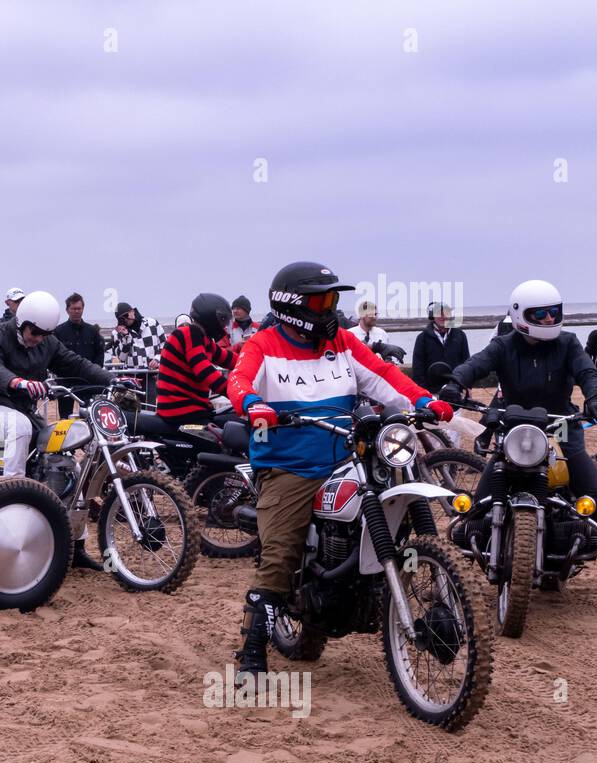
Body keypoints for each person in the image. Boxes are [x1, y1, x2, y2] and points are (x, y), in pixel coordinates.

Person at [226, 261, 452, 675]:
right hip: (289, 464)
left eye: (333, 299)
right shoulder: (263, 345)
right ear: (295, 305)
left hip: (349, 456)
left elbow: (383, 375)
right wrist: (252, 404)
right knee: (279, 554)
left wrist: (423, 401)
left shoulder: (344, 342)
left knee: (404, 479)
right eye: (322, 300)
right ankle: (253, 652)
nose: (330, 308)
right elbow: (238, 380)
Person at [440, 280, 597, 610]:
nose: (549, 319)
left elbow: (588, 372)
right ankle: (453, 583)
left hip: (561, 427)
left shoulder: (569, 343)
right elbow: (476, 363)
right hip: (514, 427)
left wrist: (596, 396)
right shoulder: (504, 345)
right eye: (541, 314)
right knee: (476, 507)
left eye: (554, 313)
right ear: (521, 316)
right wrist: (455, 383)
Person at [0, 290, 114, 477]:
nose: (38, 339)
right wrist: (17, 382)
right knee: (19, 426)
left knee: (57, 442)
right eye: (35, 332)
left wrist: (112, 379)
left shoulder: (48, 343)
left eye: (45, 334)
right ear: (22, 322)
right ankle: (12, 489)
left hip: (22, 410)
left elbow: (76, 363)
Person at [155, 293, 237, 425]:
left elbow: (229, 359)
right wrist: (238, 394)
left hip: (193, 410)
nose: (224, 326)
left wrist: (257, 363)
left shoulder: (203, 340)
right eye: (222, 320)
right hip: (181, 411)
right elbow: (205, 371)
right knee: (226, 438)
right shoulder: (188, 334)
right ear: (210, 318)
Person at [52, 292, 106, 418]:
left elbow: (99, 353)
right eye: (73, 308)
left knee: (89, 416)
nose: (76, 311)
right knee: (65, 418)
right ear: (67, 310)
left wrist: (95, 372)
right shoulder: (58, 331)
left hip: (88, 382)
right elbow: (54, 356)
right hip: (65, 382)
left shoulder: (92, 331)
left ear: (83, 309)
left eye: (79, 308)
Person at [410, 301, 469, 388]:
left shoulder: (460, 335)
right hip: (430, 389)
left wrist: (466, 385)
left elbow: (466, 362)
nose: (443, 317)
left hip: (456, 387)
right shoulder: (422, 338)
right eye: (439, 313)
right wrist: (422, 389)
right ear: (432, 316)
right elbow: (418, 367)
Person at [109, 302, 165, 370]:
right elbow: (121, 359)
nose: (125, 319)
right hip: (131, 375)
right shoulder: (117, 333)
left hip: (152, 373)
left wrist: (157, 359)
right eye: (121, 318)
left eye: (126, 315)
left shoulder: (152, 323)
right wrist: (126, 339)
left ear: (132, 311)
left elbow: (165, 344)